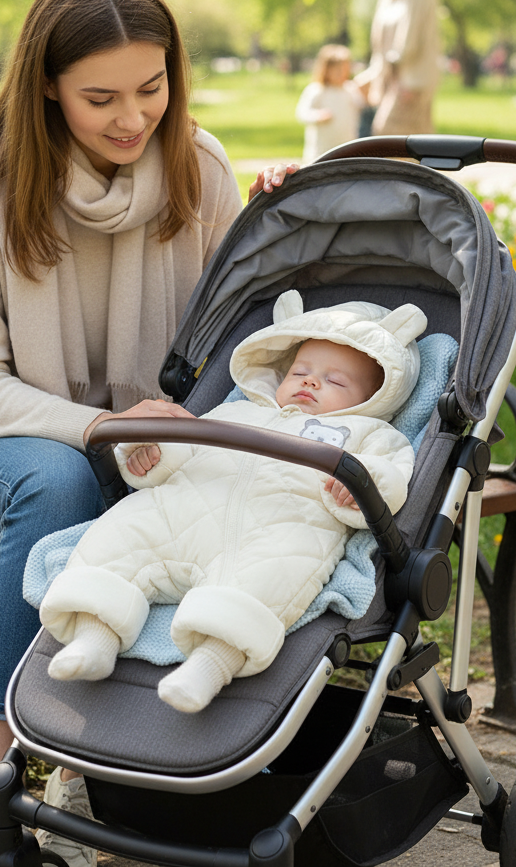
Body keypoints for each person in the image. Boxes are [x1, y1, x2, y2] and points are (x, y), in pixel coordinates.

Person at [0, 0, 244, 867]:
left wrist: (274, 224)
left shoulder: (200, 167)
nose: (133, 117)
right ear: (48, 88)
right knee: (61, 481)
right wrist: (102, 430)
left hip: (147, 452)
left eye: (152, 87)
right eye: (101, 97)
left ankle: (133, 768)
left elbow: (236, 331)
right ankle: (2, 797)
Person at [40, 294, 424, 713]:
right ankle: (94, 639)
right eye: (300, 371)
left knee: (272, 576)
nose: (311, 382)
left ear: (377, 398)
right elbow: (184, 448)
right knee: (121, 534)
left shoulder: (371, 434)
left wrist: (361, 488)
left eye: (335, 381)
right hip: (181, 509)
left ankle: (208, 667)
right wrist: (151, 457)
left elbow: (390, 479)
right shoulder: (238, 411)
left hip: (280, 528)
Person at [355, 0, 441, 135]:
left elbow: (410, 41)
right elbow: (380, 40)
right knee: (408, 138)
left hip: (412, 79)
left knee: (390, 132)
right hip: (390, 77)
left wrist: (402, 80)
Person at [295, 44, 364, 163]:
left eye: (345, 69)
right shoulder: (317, 90)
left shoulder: (350, 89)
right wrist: (317, 115)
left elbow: (361, 106)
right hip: (321, 151)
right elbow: (302, 112)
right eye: (337, 70)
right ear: (325, 70)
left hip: (347, 148)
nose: (342, 73)